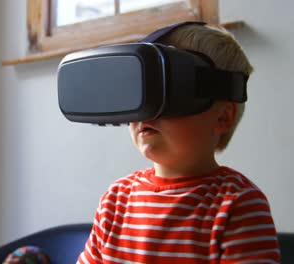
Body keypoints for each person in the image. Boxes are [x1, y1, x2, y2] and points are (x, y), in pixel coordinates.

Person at [77, 24, 280, 263]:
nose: (148, 112)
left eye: (167, 92)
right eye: (142, 92)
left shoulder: (238, 204)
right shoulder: (115, 200)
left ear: (223, 117)